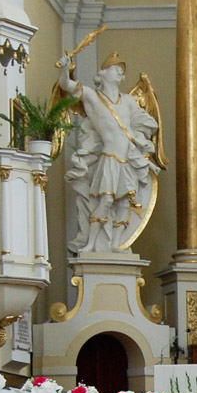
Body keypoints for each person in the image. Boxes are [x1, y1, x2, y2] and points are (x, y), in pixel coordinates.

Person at [58, 50, 160, 253]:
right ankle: (91, 244)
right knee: (105, 199)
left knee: (124, 202)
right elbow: (66, 85)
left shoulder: (129, 101)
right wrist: (64, 68)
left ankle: (117, 244)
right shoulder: (92, 96)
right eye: (115, 69)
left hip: (128, 158)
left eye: (122, 72)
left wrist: (137, 138)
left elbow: (150, 123)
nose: (120, 74)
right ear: (103, 72)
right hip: (110, 156)